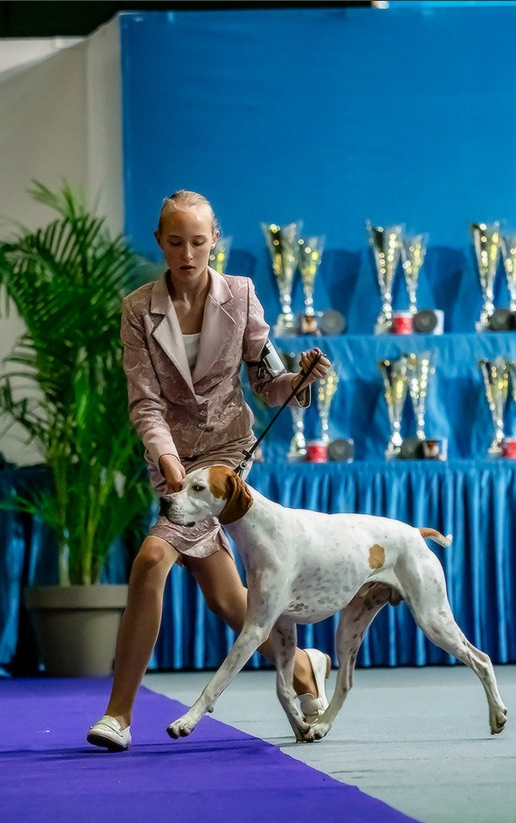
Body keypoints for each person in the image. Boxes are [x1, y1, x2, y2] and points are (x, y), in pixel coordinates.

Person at [86, 190, 333, 751]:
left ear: (214, 241)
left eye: (198, 242)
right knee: (227, 600)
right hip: (171, 461)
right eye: (176, 242)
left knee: (153, 557)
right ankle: (304, 670)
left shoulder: (241, 296)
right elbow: (145, 403)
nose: (188, 253)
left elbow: (268, 383)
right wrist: (167, 458)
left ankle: (118, 716)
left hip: (226, 468)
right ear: (160, 243)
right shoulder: (137, 309)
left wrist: (298, 380)